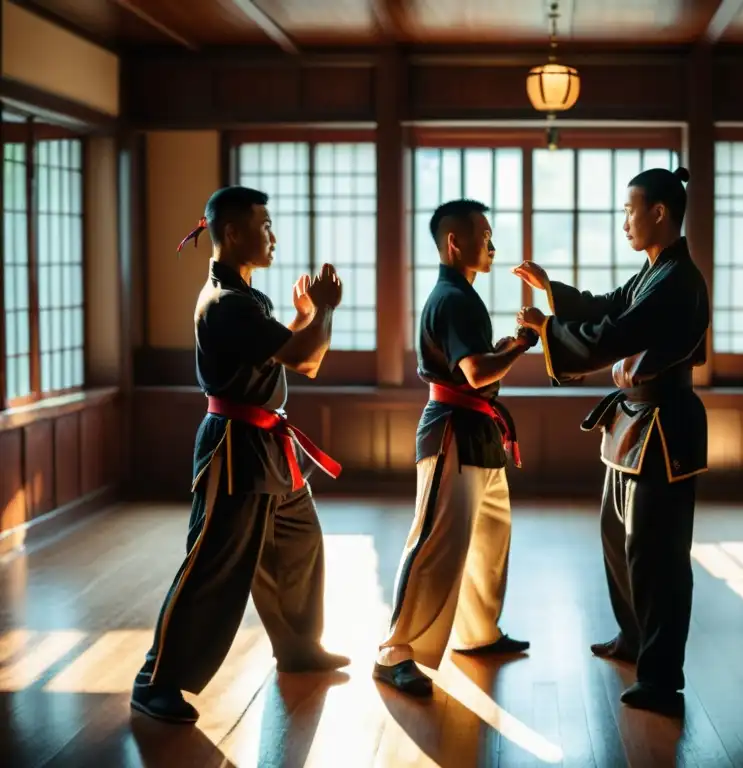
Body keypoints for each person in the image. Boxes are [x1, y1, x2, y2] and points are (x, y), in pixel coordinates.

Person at [130, 186, 350, 724]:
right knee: (214, 564)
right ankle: (156, 679)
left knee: (297, 544)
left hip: (267, 442)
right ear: (232, 233)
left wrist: (304, 317)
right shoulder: (226, 303)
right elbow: (305, 359)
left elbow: (298, 355)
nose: (273, 236)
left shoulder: (249, 299)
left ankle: (299, 647)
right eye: (265, 226)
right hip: (235, 445)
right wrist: (320, 310)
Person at [513, 166, 708, 716]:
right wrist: (553, 292)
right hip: (633, 425)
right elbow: (606, 306)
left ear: (660, 213)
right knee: (617, 536)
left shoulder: (677, 280)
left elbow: (613, 336)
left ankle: (662, 676)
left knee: (658, 555)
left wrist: (547, 331)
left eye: (630, 210)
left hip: (664, 429)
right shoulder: (652, 273)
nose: (625, 220)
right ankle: (633, 636)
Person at [373, 198, 534, 696]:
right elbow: (477, 372)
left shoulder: (462, 296)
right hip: (451, 431)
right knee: (435, 543)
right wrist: (522, 345)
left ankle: (478, 633)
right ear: (454, 242)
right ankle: (394, 652)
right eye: (484, 235)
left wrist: (507, 348)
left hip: (479, 430)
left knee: (489, 539)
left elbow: (481, 365)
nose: (492, 244)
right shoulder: (453, 299)